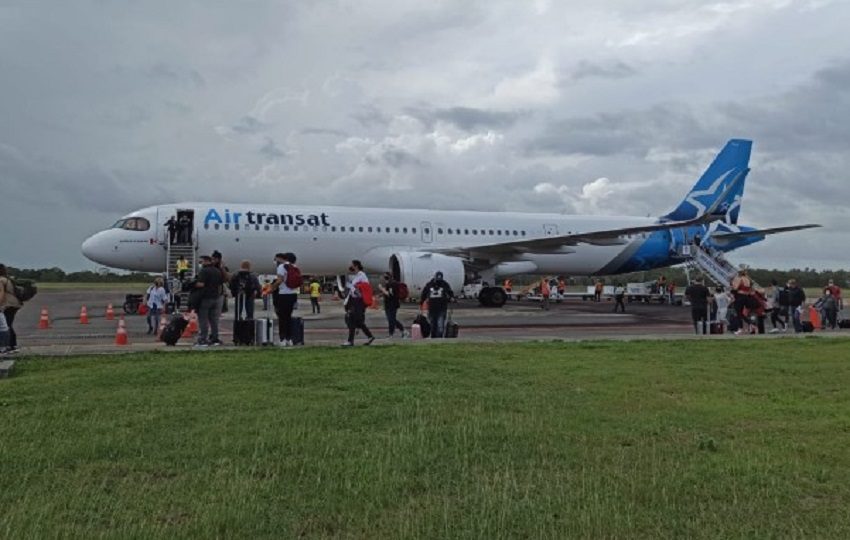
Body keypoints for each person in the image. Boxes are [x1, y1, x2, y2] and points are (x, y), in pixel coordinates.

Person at [268, 253, 301, 347]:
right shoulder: (295, 267)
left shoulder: (282, 267)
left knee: (282, 318)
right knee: (288, 317)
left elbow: (280, 280)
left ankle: (282, 339)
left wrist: (272, 288)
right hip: (293, 294)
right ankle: (289, 339)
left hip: (283, 294)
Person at [193, 255, 224, 347]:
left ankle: (203, 339)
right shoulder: (217, 271)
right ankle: (215, 338)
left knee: (203, 319)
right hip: (216, 297)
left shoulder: (204, 271)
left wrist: (193, 284)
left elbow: (201, 284)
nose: (201, 263)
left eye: (202, 261)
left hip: (206, 298)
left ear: (206, 261)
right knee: (213, 320)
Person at [343, 260, 374, 346]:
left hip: (358, 301)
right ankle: (369, 336)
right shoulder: (357, 275)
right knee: (356, 321)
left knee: (353, 320)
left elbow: (363, 287)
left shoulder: (361, 275)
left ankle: (351, 341)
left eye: (352, 265)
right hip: (354, 300)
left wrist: (354, 287)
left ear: (356, 266)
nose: (350, 267)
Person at [420, 271, 455, 338]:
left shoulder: (444, 284)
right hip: (432, 308)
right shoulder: (429, 284)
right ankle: (434, 338)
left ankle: (439, 338)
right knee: (432, 325)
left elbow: (450, 292)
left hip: (442, 308)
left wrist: (451, 298)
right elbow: (424, 294)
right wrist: (422, 303)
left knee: (440, 325)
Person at [0, 264, 21, 353]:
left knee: (6, 326)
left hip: (8, 305)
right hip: (14, 304)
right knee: (8, 325)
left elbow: (1, 294)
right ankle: (13, 345)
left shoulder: (0, 280)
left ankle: (8, 346)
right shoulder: (7, 279)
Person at [379, 272, 405, 338]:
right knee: (391, 319)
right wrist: (381, 294)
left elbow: (390, 294)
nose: (383, 279)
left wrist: (382, 289)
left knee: (391, 320)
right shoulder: (388, 284)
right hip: (388, 305)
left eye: (384, 277)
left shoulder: (392, 284)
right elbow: (388, 293)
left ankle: (392, 334)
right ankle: (402, 331)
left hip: (392, 305)